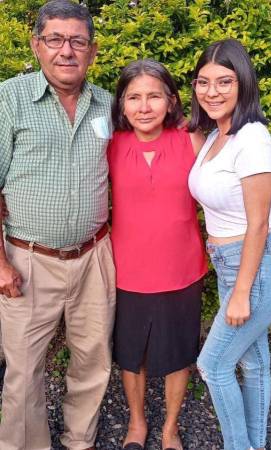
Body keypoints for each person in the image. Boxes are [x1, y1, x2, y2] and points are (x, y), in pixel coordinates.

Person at [0, 1, 113, 449]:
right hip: (28, 259)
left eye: (77, 41)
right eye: (55, 39)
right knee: (24, 370)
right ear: (37, 45)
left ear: (92, 50)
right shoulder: (8, 98)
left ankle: (79, 440)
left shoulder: (107, 102)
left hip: (95, 256)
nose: (67, 50)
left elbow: (156, 143)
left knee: (93, 359)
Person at [188, 39, 271, 450]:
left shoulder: (252, 137)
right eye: (203, 82)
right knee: (253, 361)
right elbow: (251, 203)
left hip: (257, 269)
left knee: (212, 365)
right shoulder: (216, 136)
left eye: (224, 82)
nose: (212, 91)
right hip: (230, 262)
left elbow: (254, 226)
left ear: (244, 83)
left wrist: (241, 293)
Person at [108, 59, 209, 450]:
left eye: (154, 96)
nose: (144, 106)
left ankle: (170, 428)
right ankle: (137, 423)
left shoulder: (192, 141)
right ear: (122, 103)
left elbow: (228, 187)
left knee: (177, 353)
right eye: (134, 97)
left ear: (171, 101)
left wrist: (267, 218)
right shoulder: (109, 144)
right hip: (127, 270)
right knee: (131, 354)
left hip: (181, 268)